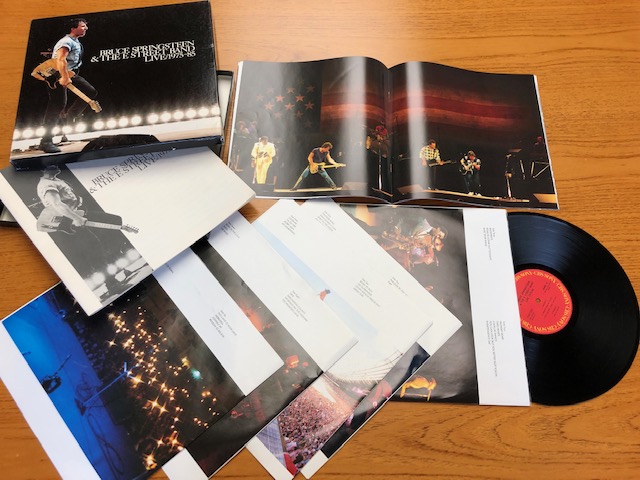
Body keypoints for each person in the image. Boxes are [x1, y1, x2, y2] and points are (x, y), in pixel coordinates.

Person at [39, 18, 98, 153]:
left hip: (70, 73)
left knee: (90, 91)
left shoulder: (75, 41)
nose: (86, 28)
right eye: (82, 26)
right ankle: (46, 141)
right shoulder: (66, 42)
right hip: (57, 75)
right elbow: (61, 59)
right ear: (73, 28)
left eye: (85, 26)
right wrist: (64, 77)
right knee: (57, 104)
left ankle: (68, 117)